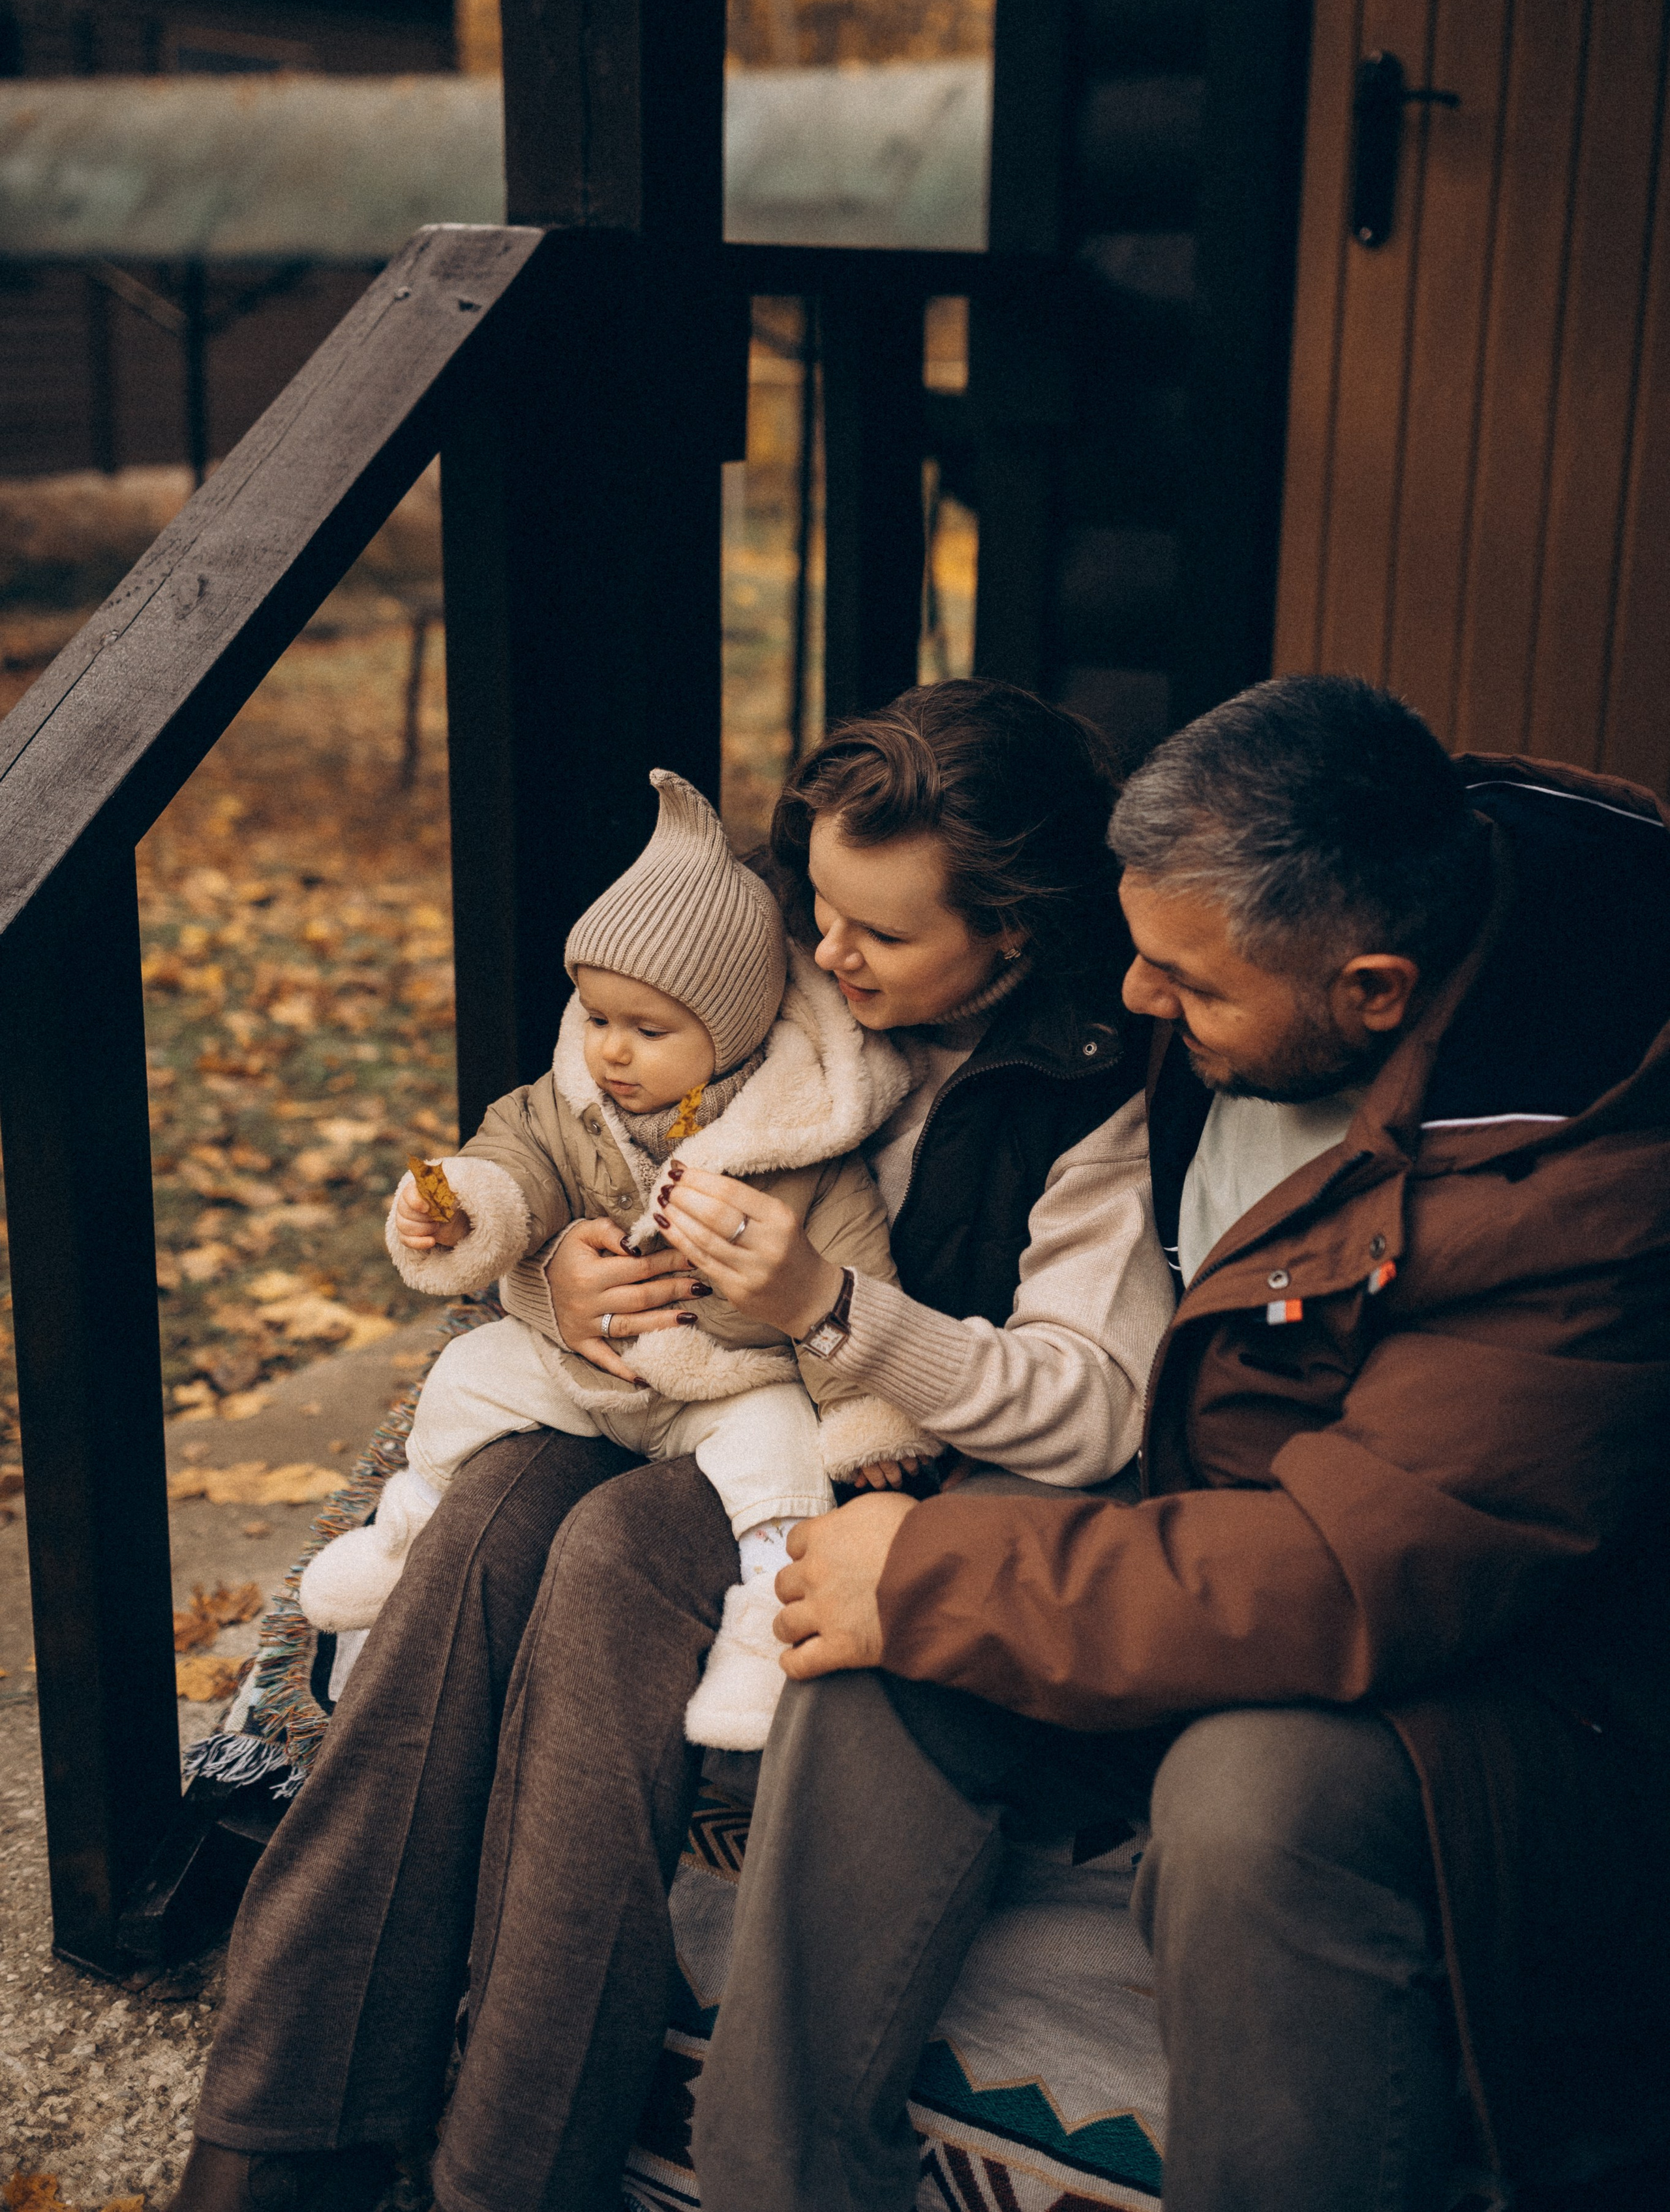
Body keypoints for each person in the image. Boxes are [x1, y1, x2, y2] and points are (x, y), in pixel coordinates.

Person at [171, 677, 1174, 2212]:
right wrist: (546, 1274)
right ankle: (277, 2131)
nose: (824, 955)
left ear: (1014, 937)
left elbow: (1093, 1401)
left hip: (860, 1461)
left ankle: (509, 2169)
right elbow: (572, 1131)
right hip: (657, 1389)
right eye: (815, 904)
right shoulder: (766, 976)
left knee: (608, 1551)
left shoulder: (1082, 1094)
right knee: (490, 1504)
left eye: (877, 935)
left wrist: (833, 1310)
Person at [688, 676, 1670, 2212]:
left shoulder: (1587, 1197)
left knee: (1239, 1789)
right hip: (1208, 1526)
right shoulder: (1287, 917)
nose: (1134, 1007)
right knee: (862, 1635)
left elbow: (1349, 1570)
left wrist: (945, 1569)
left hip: (1494, 1690)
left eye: (1184, 987)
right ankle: (776, 2185)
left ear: (1372, 993)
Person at [299, 767, 930, 1749]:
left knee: (783, 1462)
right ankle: (408, 1527)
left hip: (723, 1379)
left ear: (732, 1033)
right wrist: (464, 1216)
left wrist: (860, 1413)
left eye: (649, 1030)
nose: (613, 1053)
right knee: (466, 1374)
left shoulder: (798, 1141)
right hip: (586, 1364)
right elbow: (510, 1165)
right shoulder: (569, 1105)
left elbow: (851, 1269)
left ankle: (762, 1632)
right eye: (596, 1018)